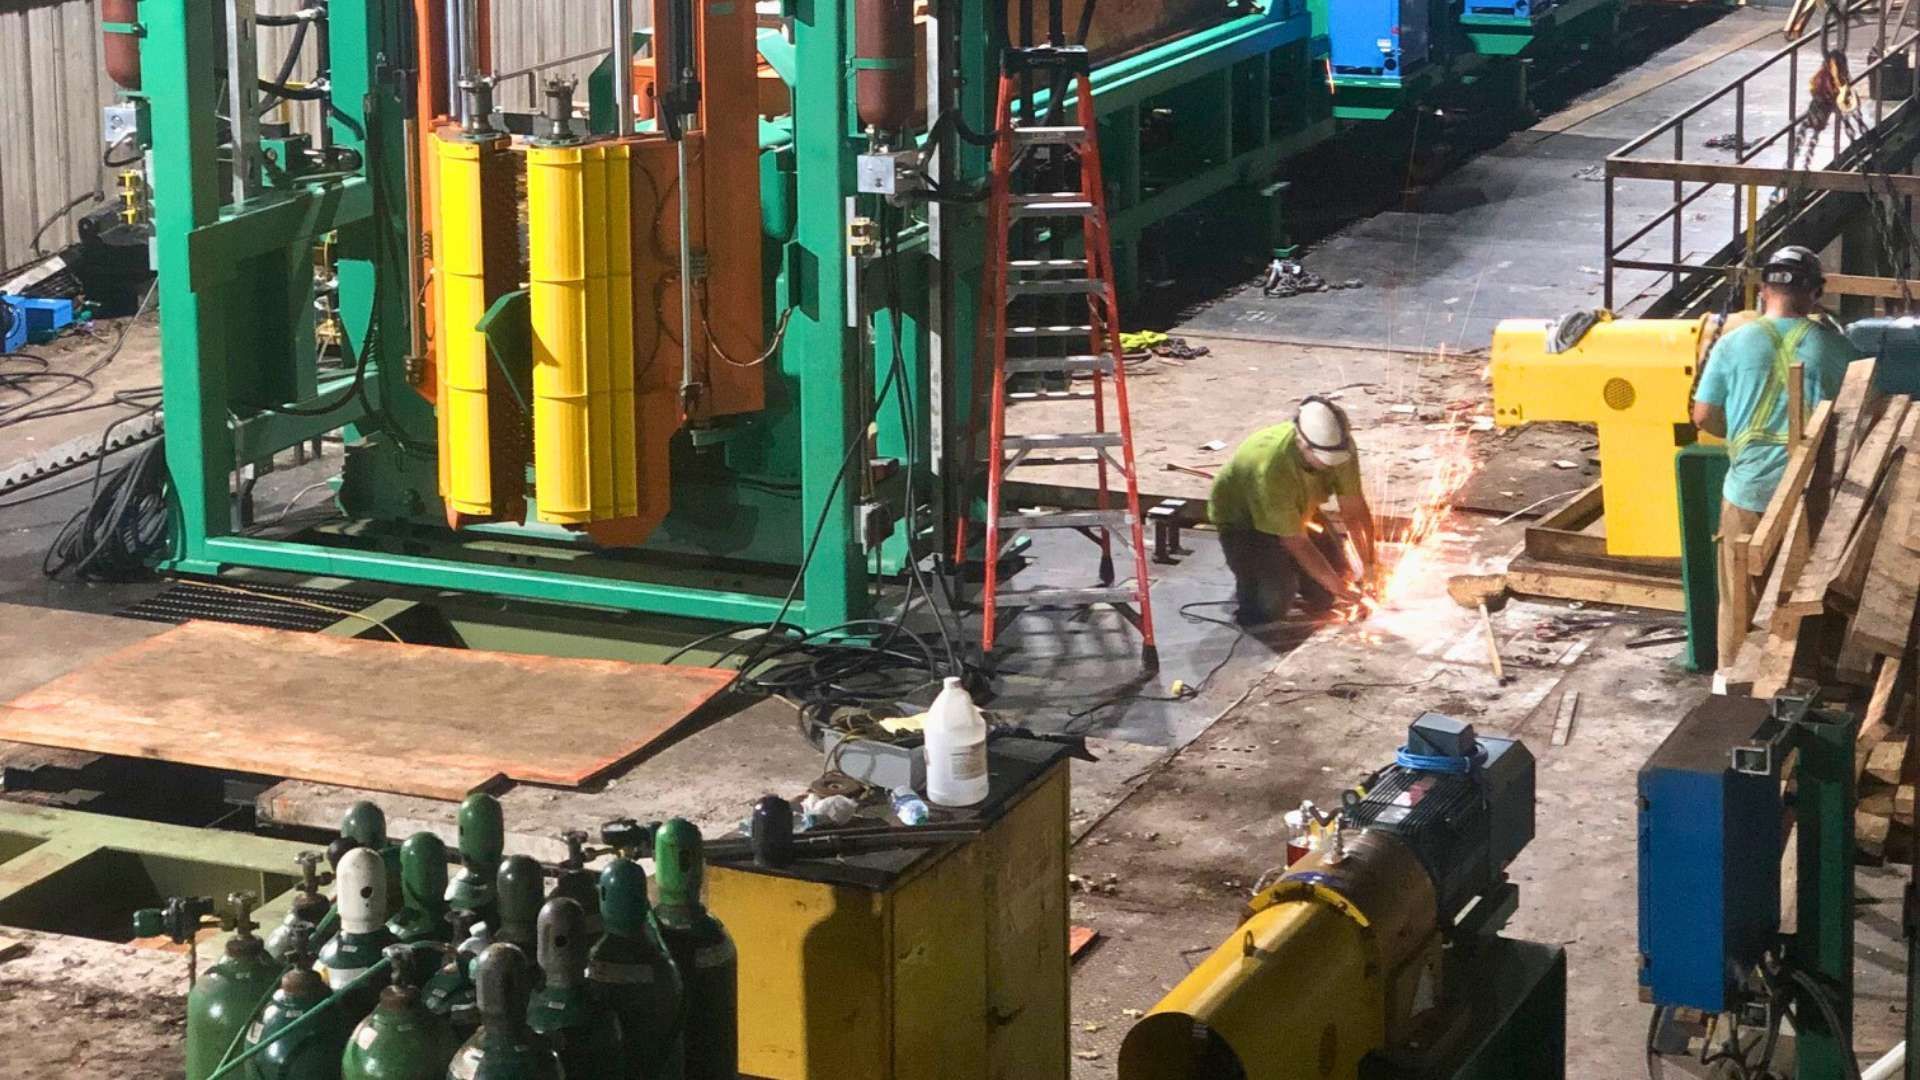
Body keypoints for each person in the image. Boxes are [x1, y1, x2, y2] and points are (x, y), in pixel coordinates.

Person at [1691, 245, 1864, 667]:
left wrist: (1741, 440)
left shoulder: (1732, 344)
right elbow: (1862, 416)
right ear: (1815, 294)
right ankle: (1797, 680)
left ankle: (1731, 685)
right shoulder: (1838, 349)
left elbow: (1704, 416)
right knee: (1800, 598)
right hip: (1810, 494)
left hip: (1748, 490)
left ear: (1764, 289)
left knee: (1739, 599)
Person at [1207, 396, 1379, 627]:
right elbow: (1297, 542)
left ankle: (1284, 571)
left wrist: (1369, 564)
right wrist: (1339, 588)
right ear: (1302, 444)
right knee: (1271, 604)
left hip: (1299, 513)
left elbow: (1354, 511)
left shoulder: (1340, 446)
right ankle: (1256, 583)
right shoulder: (1270, 467)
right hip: (1245, 524)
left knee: (1328, 591)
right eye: (1324, 462)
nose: (1332, 467)